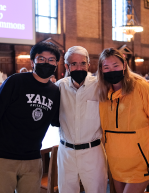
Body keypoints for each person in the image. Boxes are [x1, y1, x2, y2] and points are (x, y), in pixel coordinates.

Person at [0, 41, 61, 193]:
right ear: (32, 62)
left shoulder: (55, 92)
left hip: (33, 158)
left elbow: (57, 120)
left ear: (56, 64)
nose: (46, 63)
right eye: (41, 58)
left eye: (51, 60)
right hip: (3, 156)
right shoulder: (16, 81)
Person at [97, 48, 149, 193]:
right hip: (115, 158)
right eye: (106, 67)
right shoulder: (101, 91)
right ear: (101, 70)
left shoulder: (141, 86)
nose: (111, 70)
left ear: (124, 65)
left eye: (116, 66)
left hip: (139, 158)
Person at [55, 46, 107, 193]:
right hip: (66, 152)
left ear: (89, 65)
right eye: (74, 64)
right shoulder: (59, 87)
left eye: (83, 63)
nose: (79, 67)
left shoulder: (99, 86)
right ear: (67, 66)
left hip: (93, 152)